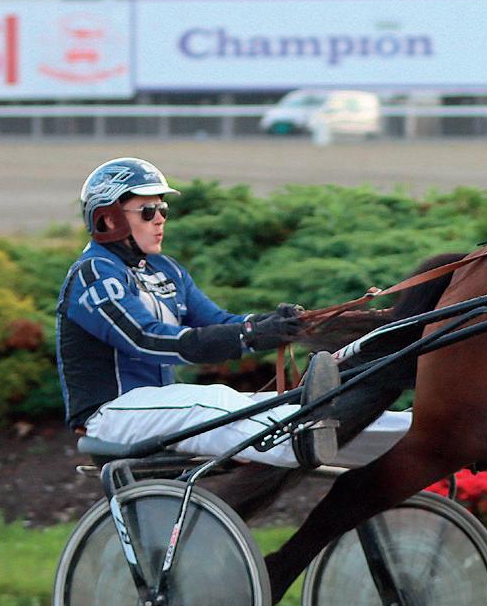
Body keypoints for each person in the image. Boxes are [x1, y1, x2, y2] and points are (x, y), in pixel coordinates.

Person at [56, 157, 411, 469]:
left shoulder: (165, 270)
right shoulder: (94, 274)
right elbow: (148, 340)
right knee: (215, 401)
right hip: (111, 416)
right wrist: (249, 336)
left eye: (163, 209)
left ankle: (409, 434)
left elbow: (220, 322)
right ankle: (297, 441)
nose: (160, 219)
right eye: (148, 211)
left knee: (285, 404)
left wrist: (270, 325)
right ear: (108, 220)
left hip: (158, 408)